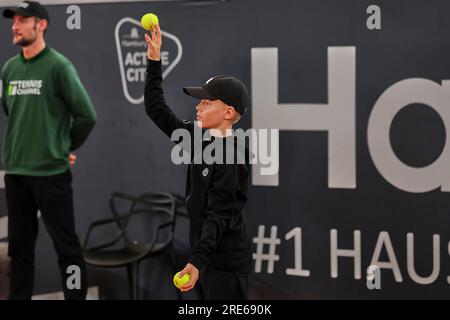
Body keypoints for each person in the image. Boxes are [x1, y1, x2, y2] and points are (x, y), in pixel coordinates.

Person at [144, 24, 252, 299]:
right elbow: (156, 109)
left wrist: (196, 261)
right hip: (204, 261)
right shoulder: (196, 136)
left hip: (226, 267)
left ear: (228, 112)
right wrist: (154, 61)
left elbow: (219, 215)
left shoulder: (232, 155)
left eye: (206, 103)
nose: (197, 107)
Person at [1, 1, 97, 300]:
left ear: (41, 24)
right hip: (16, 172)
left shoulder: (58, 66)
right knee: (20, 251)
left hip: (51, 174)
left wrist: (63, 145)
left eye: (22, 20)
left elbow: (86, 115)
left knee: (67, 249)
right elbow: (11, 111)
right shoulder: (10, 68)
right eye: (13, 20)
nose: (15, 26)